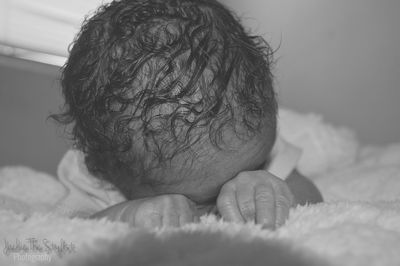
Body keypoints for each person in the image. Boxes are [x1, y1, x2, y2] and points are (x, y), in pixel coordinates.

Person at [51, 0, 322, 229]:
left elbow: (311, 197)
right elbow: (66, 233)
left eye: (253, 168)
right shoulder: (90, 180)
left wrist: (271, 190)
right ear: (108, 175)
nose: (226, 199)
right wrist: (124, 216)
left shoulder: (252, 145)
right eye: (202, 200)